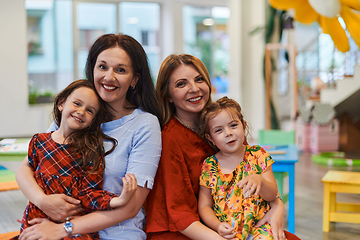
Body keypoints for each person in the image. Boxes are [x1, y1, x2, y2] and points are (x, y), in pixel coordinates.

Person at [16, 33, 162, 240]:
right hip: (55, 227)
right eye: (102, 67)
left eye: (120, 70)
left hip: (115, 235)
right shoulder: (76, 113)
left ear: (135, 79)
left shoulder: (145, 124)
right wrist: (43, 202)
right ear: (92, 69)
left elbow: (131, 207)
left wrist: (63, 228)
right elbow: (26, 168)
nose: (109, 77)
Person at [145, 54, 287, 240]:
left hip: (237, 223)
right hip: (182, 230)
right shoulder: (168, 138)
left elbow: (257, 175)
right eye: (181, 84)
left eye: (199, 79)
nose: (194, 89)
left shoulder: (222, 121)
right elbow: (180, 215)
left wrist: (277, 206)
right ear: (168, 96)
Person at [15, 79, 138, 239]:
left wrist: (118, 200)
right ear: (61, 103)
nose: (81, 111)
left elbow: (90, 194)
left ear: (93, 120)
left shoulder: (90, 151)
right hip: (36, 219)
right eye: (77, 103)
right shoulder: (39, 142)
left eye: (90, 110)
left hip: (73, 226)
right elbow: (26, 173)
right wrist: (42, 200)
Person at [198, 96, 280, 240]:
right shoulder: (209, 165)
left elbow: (272, 194)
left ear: (244, 125)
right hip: (228, 232)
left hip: (259, 228)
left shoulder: (257, 155)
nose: (228, 133)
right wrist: (217, 226)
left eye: (233, 125)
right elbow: (204, 206)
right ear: (210, 138)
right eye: (218, 130)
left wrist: (260, 181)